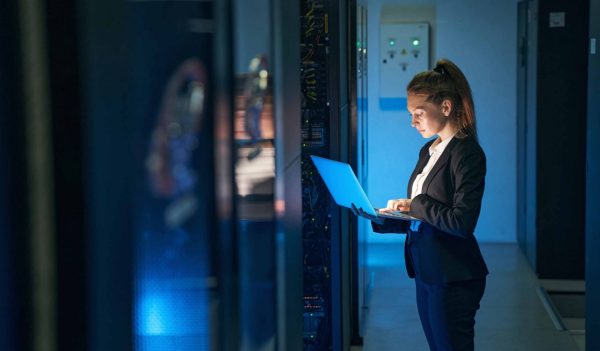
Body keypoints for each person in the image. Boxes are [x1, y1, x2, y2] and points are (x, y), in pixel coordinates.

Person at [352, 58, 488, 351]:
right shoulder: (429, 149)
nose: (412, 122)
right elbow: (425, 216)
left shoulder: (467, 154)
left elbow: (461, 222)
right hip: (427, 269)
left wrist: (416, 204)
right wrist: (381, 216)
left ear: (446, 107)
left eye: (418, 113)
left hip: (453, 276)